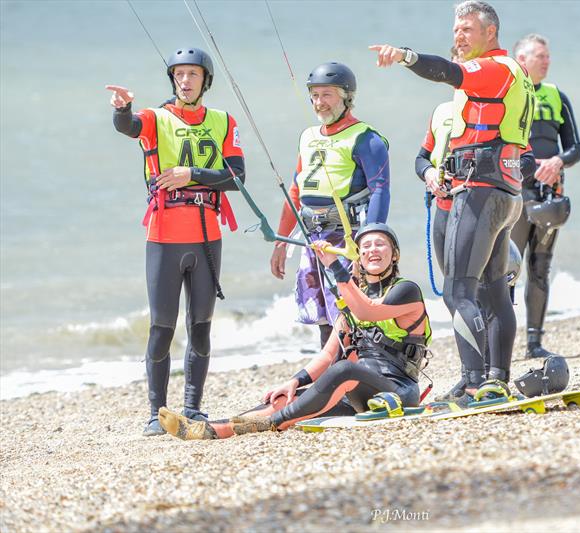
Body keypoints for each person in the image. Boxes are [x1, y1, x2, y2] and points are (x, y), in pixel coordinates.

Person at [370, 0, 536, 404]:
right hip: (500, 191)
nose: (457, 36)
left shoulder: (495, 68)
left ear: (489, 33)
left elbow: (447, 71)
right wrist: (433, 173)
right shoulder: (513, 76)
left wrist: (405, 56)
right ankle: (496, 377)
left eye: (466, 29)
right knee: (494, 288)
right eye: (455, 30)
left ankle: (474, 380)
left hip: (481, 190)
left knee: (458, 290)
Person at [157, 224, 431, 439]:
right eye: (366, 245)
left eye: (381, 244)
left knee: (343, 370)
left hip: (396, 391)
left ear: (394, 254)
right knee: (288, 398)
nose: (373, 250)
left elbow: (367, 311)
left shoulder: (405, 291)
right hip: (358, 394)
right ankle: (209, 428)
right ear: (358, 256)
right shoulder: (353, 297)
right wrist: (294, 381)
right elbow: (328, 354)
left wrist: (333, 266)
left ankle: (262, 426)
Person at [106, 46, 245, 436]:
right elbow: (128, 126)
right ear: (173, 80)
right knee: (162, 327)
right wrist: (121, 109)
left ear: (205, 80)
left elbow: (237, 178)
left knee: (201, 325)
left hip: (206, 237)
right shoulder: (156, 118)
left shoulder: (222, 121)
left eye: (193, 75)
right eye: (179, 74)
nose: (185, 81)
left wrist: (191, 174)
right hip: (164, 237)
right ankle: (156, 413)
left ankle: (193, 408)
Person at [270, 62, 390, 349]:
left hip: (346, 238)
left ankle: (355, 378)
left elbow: (380, 190)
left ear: (346, 97)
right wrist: (281, 242)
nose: (319, 103)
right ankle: (331, 381)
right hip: (313, 239)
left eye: (327, 95)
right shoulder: (308, 136)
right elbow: (296, 191)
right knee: (322, 316)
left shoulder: (366, 138)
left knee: (349, 313)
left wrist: (369, 243)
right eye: (314, 95)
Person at [510, 34, 580, 359]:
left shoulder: (558, 97)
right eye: (540, 55)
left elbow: (575, 147)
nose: (547, 60)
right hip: (515, 194)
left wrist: (558, 161)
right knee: (507, 269)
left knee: (540, 267)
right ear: (521, 59)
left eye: (548, 55)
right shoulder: (508, 93)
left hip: (549, 194)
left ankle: (534, 342)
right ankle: (501, 342)